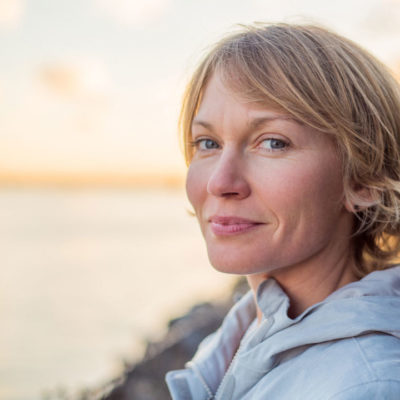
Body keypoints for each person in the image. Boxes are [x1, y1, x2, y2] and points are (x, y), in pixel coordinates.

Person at [166, 23, 400, 399]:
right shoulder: (237, 337)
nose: (220, 182)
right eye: (207, 142)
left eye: (273, 143)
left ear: (365, 180)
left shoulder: (364, 386)